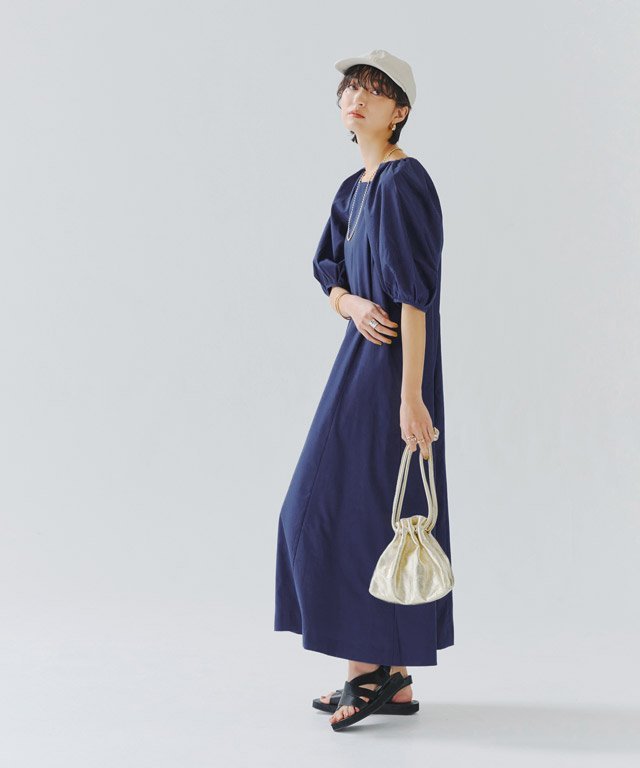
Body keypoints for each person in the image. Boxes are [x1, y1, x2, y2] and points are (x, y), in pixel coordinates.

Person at [274, 49, 454, 731]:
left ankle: (368, 672)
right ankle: (393, 677)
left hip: (395, 369)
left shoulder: (406, 181)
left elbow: (416, 297)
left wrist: (413, 396)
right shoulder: (354, 189)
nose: (357, 96)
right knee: (343, 506)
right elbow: (330, 271)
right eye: (352, 87)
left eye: (375, 90)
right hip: (360, 355)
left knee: (354, 508)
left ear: (399, 111)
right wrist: (348, 303)